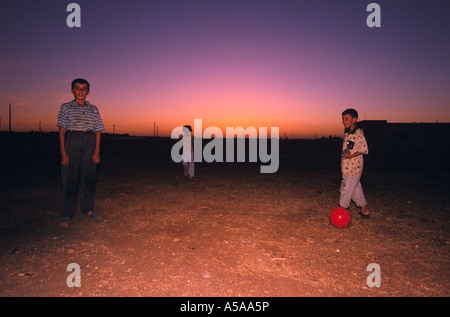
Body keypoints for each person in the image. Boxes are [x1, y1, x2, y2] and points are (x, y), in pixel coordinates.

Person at [57, 78, 105, 227]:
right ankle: (66, 213)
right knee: (69, 178)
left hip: (89, 141)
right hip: (72, 140)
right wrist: (63, 153)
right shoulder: (66, 108)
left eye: (84, 88)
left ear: (88, 92)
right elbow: (62, 131)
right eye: (77, 88)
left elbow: (98, 131)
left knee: (89, 178)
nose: (80, 91)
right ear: (72, 90)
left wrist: (96, 151)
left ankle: (88, 210)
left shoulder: (94, 109)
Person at [340, 108, 370, 218]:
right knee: (355, 188)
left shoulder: (358, 133)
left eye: (346, 118)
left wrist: (350, 156)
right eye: (343, 119)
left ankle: (341, 212)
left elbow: (364, 149)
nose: (344, 121)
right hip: (346, 167)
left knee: (346, 189)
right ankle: (364, 210)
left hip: (354, 168)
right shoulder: (348, 133)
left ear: (354, 119)